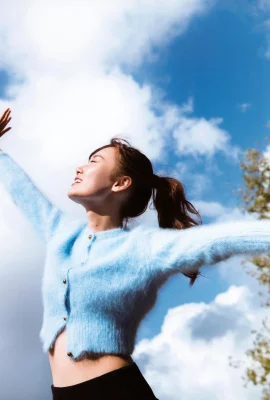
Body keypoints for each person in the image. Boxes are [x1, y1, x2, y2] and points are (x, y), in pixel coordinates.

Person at [1, 107, 270, 400]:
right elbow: (20, 189)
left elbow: (218, 240)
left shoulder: (143, 248)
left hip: (116, 391)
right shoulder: (59, 234)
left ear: (120, 183)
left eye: (94, 162)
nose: (79, 168)